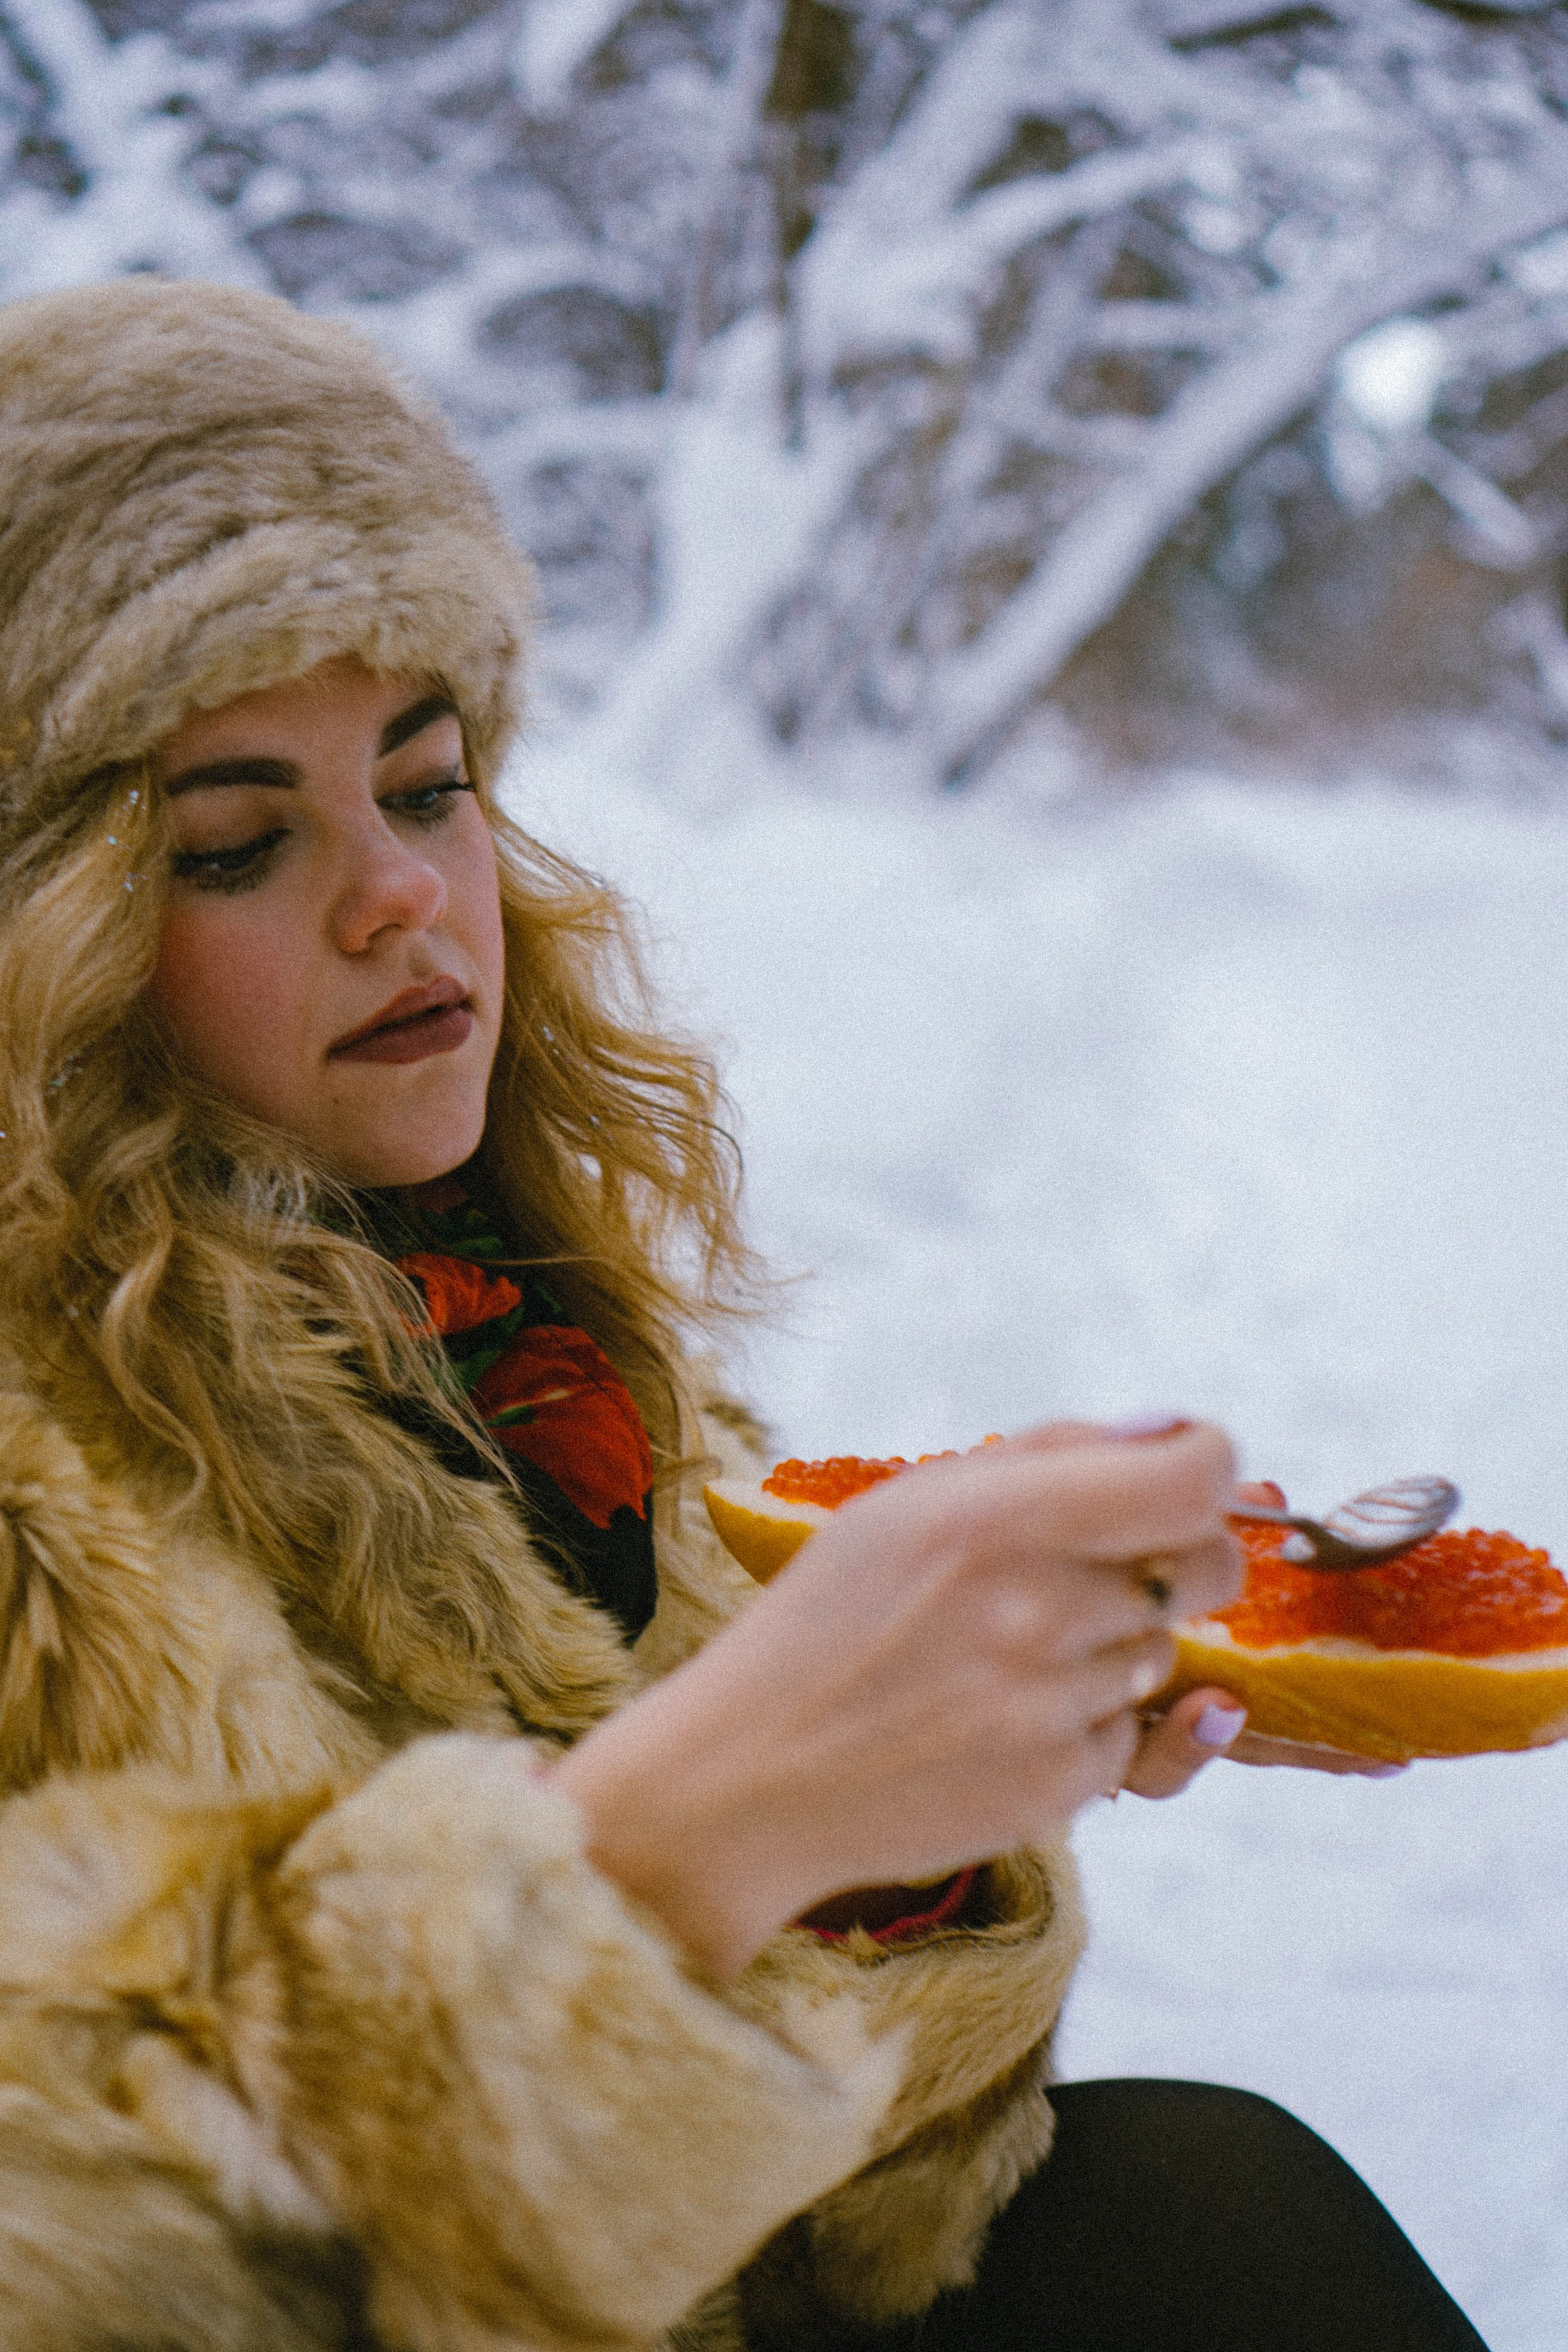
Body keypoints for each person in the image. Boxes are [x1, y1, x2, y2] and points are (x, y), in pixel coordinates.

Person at [0, 277, 1487, 2352]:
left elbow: (827, 2201)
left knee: (1213, 2204)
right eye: (236, 845)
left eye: (423, 787)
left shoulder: (508, 1333)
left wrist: (904, 1806)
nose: (402, 895)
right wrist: (682, 1840)